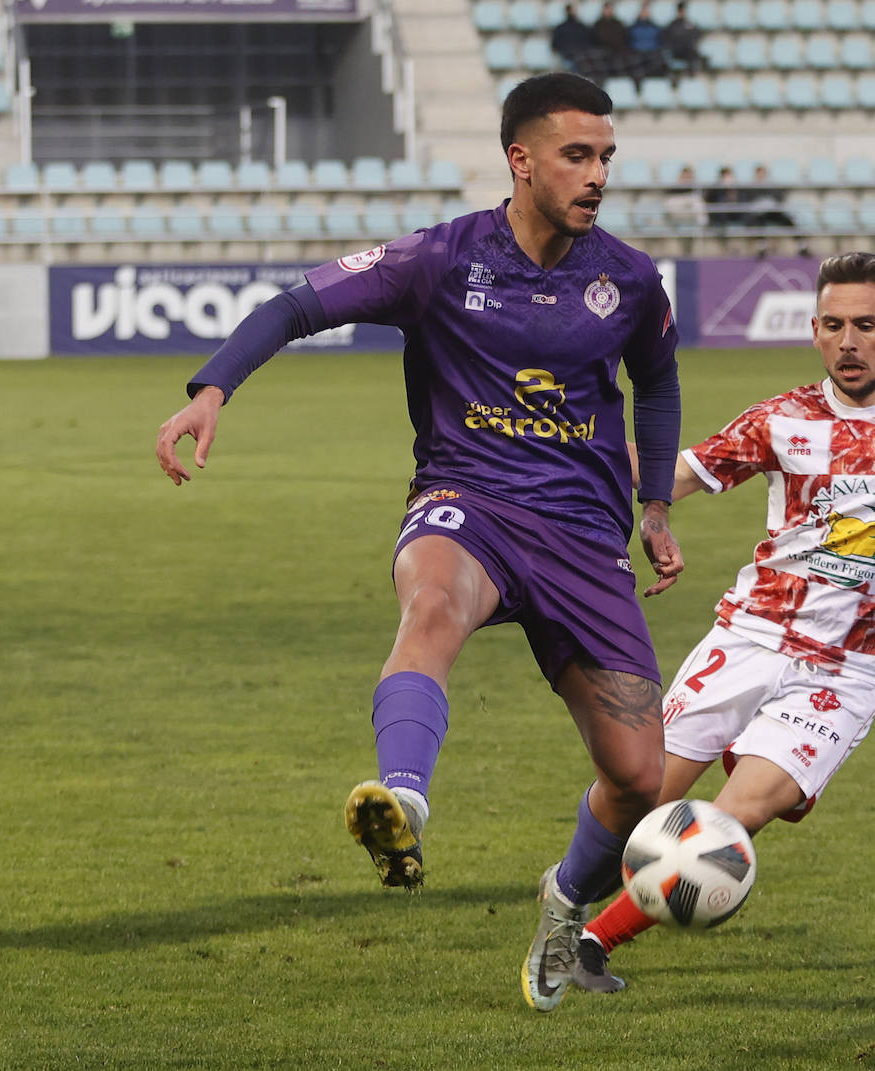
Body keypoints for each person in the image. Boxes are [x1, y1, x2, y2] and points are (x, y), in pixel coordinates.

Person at [154, 72, 685, 1014]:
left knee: (638, 775)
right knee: (431, 604)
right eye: (576, 155)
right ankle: (403, 799)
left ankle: (564, 904)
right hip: (467, 499)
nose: (597, 174)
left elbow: (656, 385)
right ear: (520, 160)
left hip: (583, 536)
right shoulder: (438, 259)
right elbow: (292, 308)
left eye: (605, 157)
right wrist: (211, 388)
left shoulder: (631, 279)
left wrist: (653, 507)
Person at [567, 252, 875, 994]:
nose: (849, 341)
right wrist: (575, 452)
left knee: (737, 820)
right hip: (750, 636)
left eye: (866, 325)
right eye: (833, 325)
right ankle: (565, 896)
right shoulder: (783, 418)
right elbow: (681, 472)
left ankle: (590, 944)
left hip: (847, 668)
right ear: (814, 330)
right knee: (641, 792)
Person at [662, 1, 703, 75]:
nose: (682, 13)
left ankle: (692, 71)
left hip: (687, 51)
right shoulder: (672, 25)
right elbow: (667, 39)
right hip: (675, 51)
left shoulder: (690, 24)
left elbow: (697, 34)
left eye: (683, 10)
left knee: (693, 55)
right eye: (681, 10)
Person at [662, 164, 707, 230]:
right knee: (669, 202)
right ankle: (670, 226)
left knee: (698, 202)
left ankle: (703, 227)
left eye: (688, 175)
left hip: (690, 206)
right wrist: (680, 184)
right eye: (685, 174)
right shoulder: (675, 185)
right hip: (678, 206)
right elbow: (669, 193)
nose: (686, 176)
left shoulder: (695, 185)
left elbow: (701, 194)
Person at [550, 3, 592, 69]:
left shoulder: (582, 27)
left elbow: (588, 42)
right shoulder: (561, 28)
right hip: (568, 56)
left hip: (580, 56)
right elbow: (555, 44)